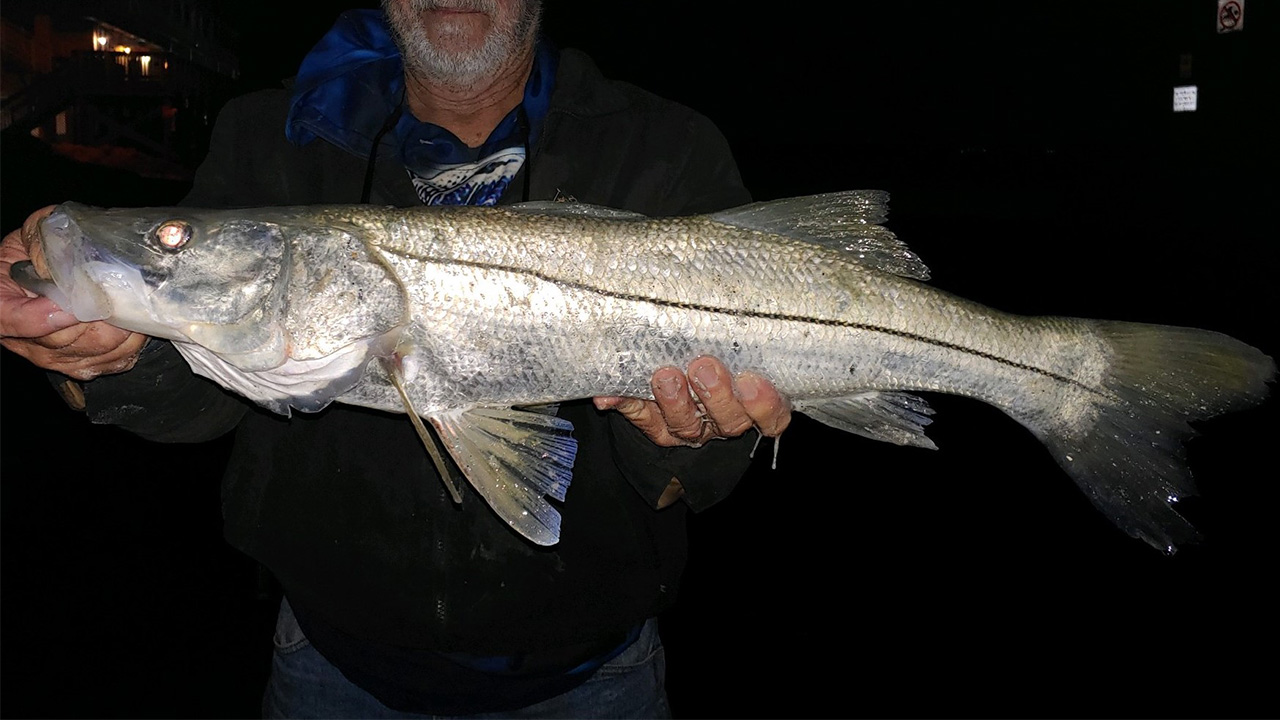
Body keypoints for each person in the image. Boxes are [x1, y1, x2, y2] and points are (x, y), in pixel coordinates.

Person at [0, 1, 792, 716]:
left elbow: (697, 478)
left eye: (173, 238)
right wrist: (107, 362)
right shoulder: (266, 134)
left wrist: (694, 440)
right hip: (328, 666)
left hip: (598, 681)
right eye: (174, 239)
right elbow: (203, 397)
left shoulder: (669, 145)